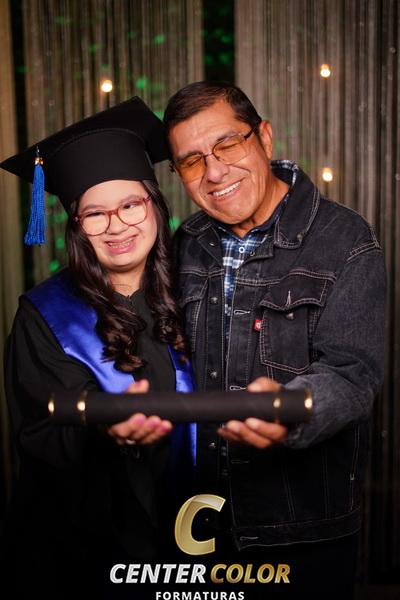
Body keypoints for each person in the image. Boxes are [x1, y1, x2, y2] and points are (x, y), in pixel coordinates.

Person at [164, 81, 386, 598]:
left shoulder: (346, 240)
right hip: (198, 521)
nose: (214, 172)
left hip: (301, 529)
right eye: (192, 161)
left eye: (227, 144)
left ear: (264, 137)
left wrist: (292, 407)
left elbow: (353, 375)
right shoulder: (186, 243)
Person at [1, 97, 193, 599]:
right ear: (76, 227)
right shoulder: (45, 314)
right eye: (94, 214)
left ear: (154, 205)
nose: (117, 225)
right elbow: (39, 435)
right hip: (86, 550)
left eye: (130, 205)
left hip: (194, 532)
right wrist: (105, 427)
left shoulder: (199, 292)